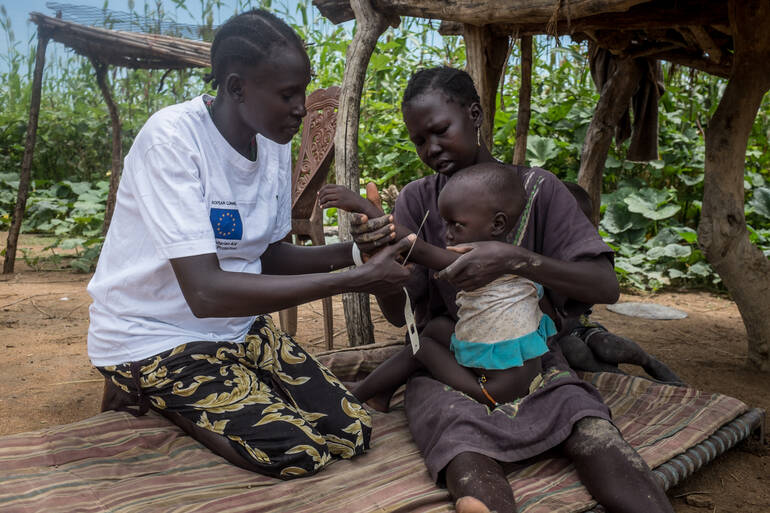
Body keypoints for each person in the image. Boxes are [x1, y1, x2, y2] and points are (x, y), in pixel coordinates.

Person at [86, 9, 415, 480]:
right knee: (296, 452)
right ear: (237, 88)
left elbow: (268, 254)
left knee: (351, 430)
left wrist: (358, 253)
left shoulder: (273, 144)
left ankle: (218, 390)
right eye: (288, 95)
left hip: (236, 330)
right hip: (153, 335)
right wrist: (357, 279)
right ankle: (152, 392)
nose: (302, 107)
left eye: (302, 90)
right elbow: (205, 293)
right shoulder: (173, 142)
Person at [327, 66, 674, 513]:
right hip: (453, 360)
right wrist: (381, 266)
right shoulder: (416, 199)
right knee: (456, 432)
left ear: (474, 114)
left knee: (589, 425)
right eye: (418, 141)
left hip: (534, 360)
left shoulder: (537, 191)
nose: (431, 149)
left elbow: (605, 285)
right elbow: (402, 316)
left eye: (440, 131)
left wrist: (516, 259)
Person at [320, 162, 558, 406]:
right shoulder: (512, 258)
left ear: (497, 224)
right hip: (520, 375)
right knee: (436, 328)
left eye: (457, 225)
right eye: (446, 224)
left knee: (421, 347)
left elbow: (416, 248)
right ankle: (381, 393)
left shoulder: (476, 260)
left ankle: (355, 397)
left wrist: (363, 207)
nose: (447, 234)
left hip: (491, 388)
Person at [554, 182, 684, 385]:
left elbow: (591, 299)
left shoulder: (586, 255)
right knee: (574, 350)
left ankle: (652, 365)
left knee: (611, 346)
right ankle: (629, 381)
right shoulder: (534, 250)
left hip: (580, 326)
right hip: (553, 337)